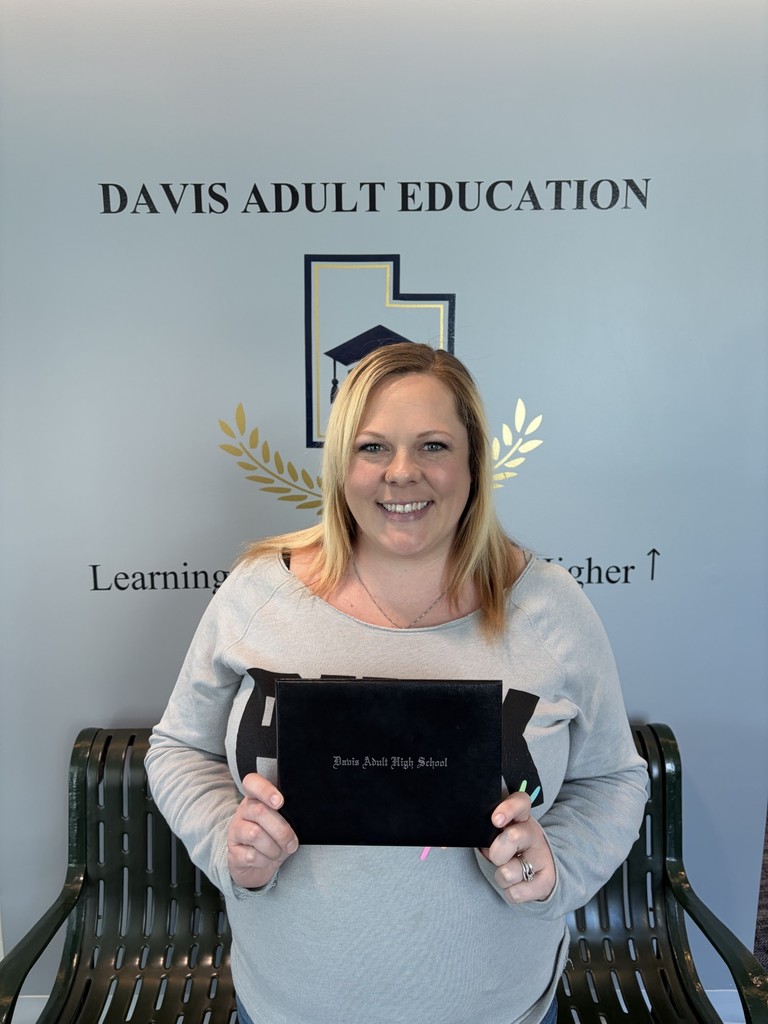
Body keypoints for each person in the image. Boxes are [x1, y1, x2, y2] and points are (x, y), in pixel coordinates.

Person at [146, 342, 648, 1024]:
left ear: (474, 461)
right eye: (373, 447)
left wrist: (556, 864)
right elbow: (178, 747)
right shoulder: (260, 591)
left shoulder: (549, 606)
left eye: (433, 445)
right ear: (340, 464)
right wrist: (225, 842)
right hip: (286, 1010)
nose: (402, 474)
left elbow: (614, 779)